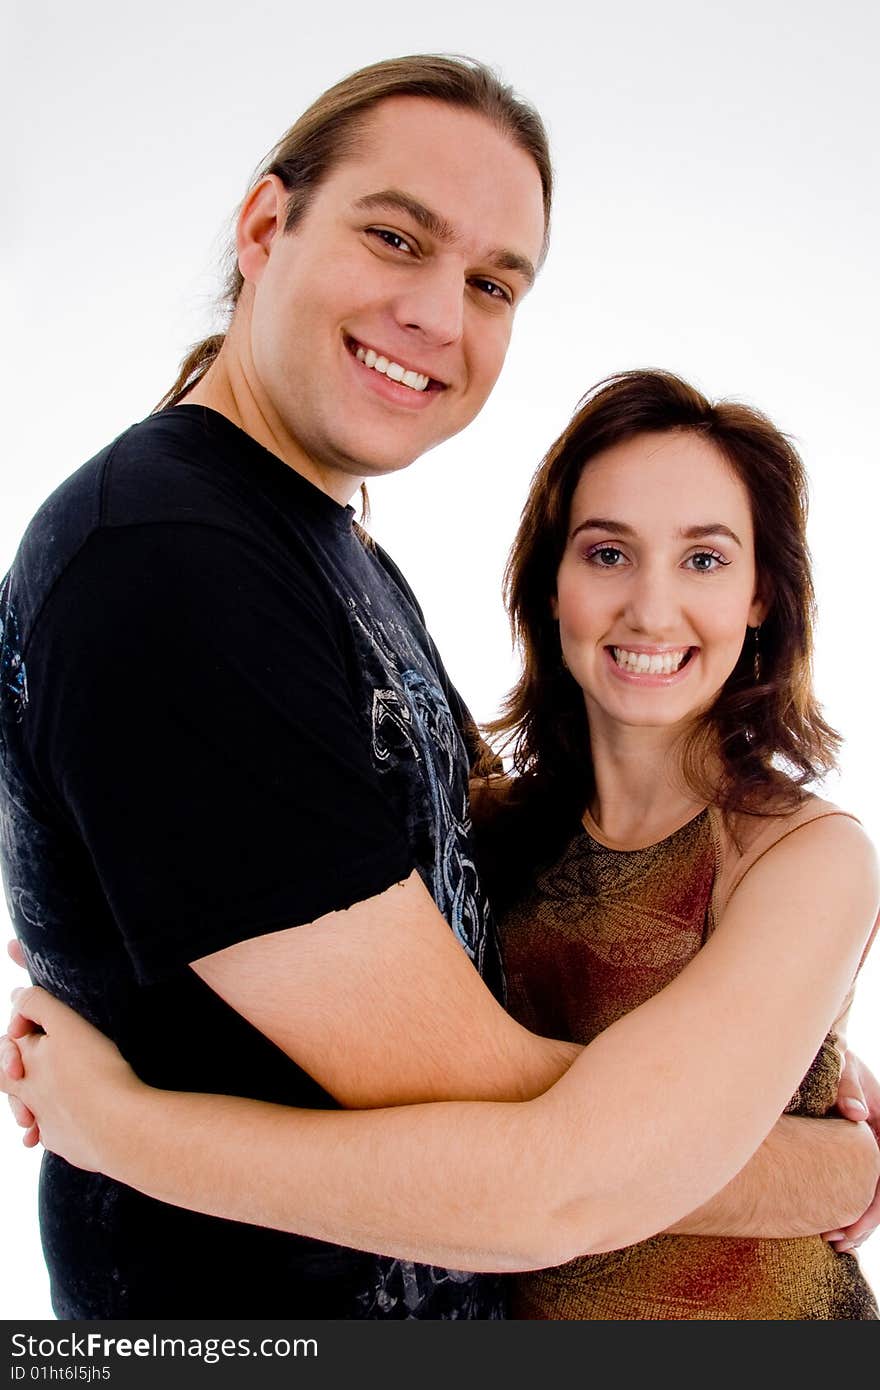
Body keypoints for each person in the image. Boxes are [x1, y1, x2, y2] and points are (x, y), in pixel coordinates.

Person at [2, 371, 879, 1319]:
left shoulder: (807, 857)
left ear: (763, 596)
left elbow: (582, 1180)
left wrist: (119, 1128)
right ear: (551, 584)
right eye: (609, 553)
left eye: (705, 560)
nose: (653, 610)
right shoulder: (488, 829)